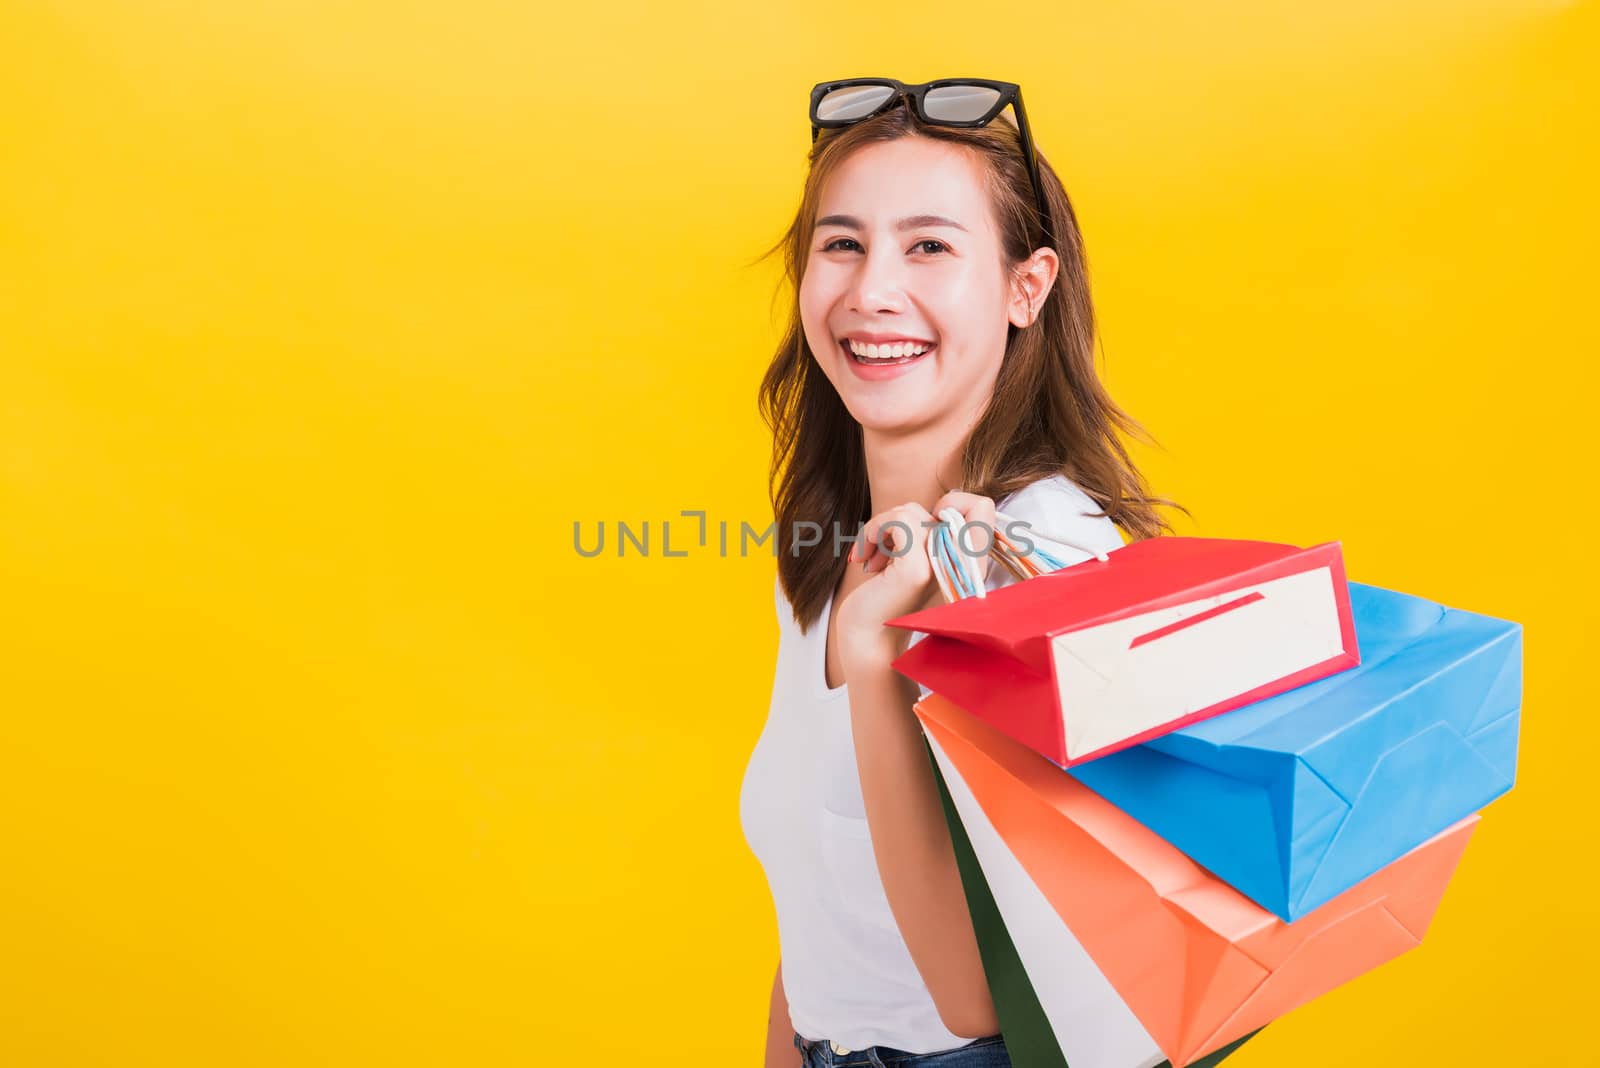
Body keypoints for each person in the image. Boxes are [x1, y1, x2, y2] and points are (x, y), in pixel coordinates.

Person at [739, 78, 1184, 1068]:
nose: (870, 292)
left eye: (928, 246)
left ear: (1028, 287)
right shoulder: (825, 552)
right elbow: (819, 911)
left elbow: (978, 996)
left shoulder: (1047, 562)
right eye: (841, 243)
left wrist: (877, 660)